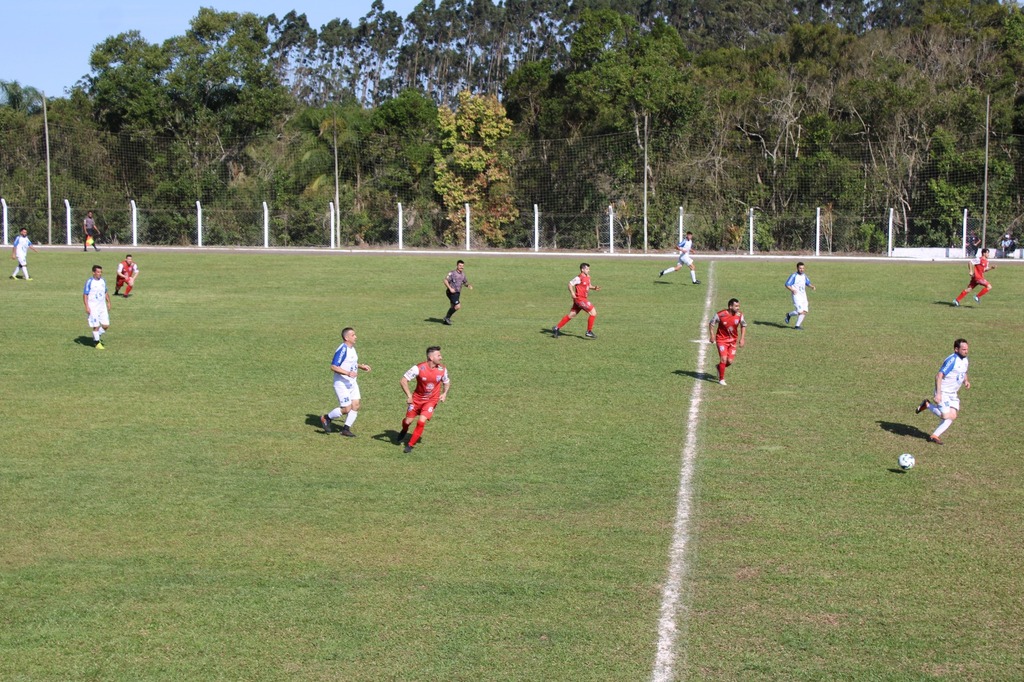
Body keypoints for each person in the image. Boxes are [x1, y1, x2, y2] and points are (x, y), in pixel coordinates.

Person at [915, 338, 970, 445]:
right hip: (943, 391)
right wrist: (938, 393)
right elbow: (939, 376)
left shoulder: (965, 360)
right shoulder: (952, 360)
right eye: (963, 349)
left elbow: (964, 371)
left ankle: (934, 436)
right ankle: (927, 405)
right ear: (956, 349)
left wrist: (966, 381)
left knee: (953, 416)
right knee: (945, 416)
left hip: (953, 393)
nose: (966, 351)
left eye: (967, 349)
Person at [397, 346, 450, 453]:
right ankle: (404, 429)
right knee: (408, 421)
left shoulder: (442, 369)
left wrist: (444, 393)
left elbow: (446, 382)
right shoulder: (418, 368)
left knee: (421, 421)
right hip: (416, 400)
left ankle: (410, 445)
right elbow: (403, 380)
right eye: (438, 355)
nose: (441, 357)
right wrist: (409, 396)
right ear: (431, 357)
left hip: (431, 400)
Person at [321, 327, 371, 437]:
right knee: (346, 408)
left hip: (352, 382)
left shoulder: (352, 348)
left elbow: (351, 362)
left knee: (356, 405)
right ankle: (326, 418)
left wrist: (361, 366)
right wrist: (348, 373)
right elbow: (333, 366)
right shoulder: (343, 349)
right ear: (346, 337)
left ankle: (345, 429)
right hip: (341, 383)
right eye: (353, 335)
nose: (356, 337)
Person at [552, 262, 601, 339]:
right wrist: (572, 293)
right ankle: (589, 331)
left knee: (571, 315)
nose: (589, 270)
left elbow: (588, 285)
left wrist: (594, 288)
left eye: (589, 269)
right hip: (580, 299)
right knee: (593, 313)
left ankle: (556, 328)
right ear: (582, 269)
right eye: (587, 269)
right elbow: (570, 284)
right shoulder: (579, 277)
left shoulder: (588, 277)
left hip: (582, 299)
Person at [708, 298, 746, 385]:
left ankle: (719, 367)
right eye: (736, 306)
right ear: (730, 306)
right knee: (723, 359)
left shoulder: (740, 315)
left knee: (729, 361)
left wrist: (742, 338)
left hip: (732, 341)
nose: (738, 308)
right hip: (721, 340)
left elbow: (743, 325)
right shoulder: (720, 314)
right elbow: (711, 323)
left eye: (738, 306)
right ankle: (721, 379)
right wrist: (712, 335)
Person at [83, 265, 111, 349]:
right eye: (98, 272)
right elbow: (85, 294)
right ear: (93, 272)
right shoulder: (90, 282)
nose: (100, 274)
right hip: (93, 307)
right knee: (96, 325)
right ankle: (97, 343)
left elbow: (105, 292)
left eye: (101, 272)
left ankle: (96, 335)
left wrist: (108, 302)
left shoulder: (103, 281)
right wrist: (87, 306)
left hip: (102, 307)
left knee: (106, 325)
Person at [783, 261, 816, 329]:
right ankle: (789, 315)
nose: (802, 269)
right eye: (800, 268)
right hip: (796, 296)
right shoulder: (794, 276)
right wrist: (792, 290)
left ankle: (797, 326)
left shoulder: (804, 276)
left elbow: (807, 283)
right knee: (800, 311)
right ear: (797, 268)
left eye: (803, 268)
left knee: (804, 311)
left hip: (803, 296)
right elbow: (787, 284)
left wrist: (812, 286)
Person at [442, 259, 473, 325]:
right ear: (457, 265)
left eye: (462, 266)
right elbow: (445, 280)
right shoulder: (452, 273)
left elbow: (464, 282)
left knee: (453, 306)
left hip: (457, 293)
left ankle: (447, 319)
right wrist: (450, 288)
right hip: (451, 292)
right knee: (458, 306)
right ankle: (446, 318)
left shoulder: (463, 275)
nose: (461, 267)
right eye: (460, 265)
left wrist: (468, 285)